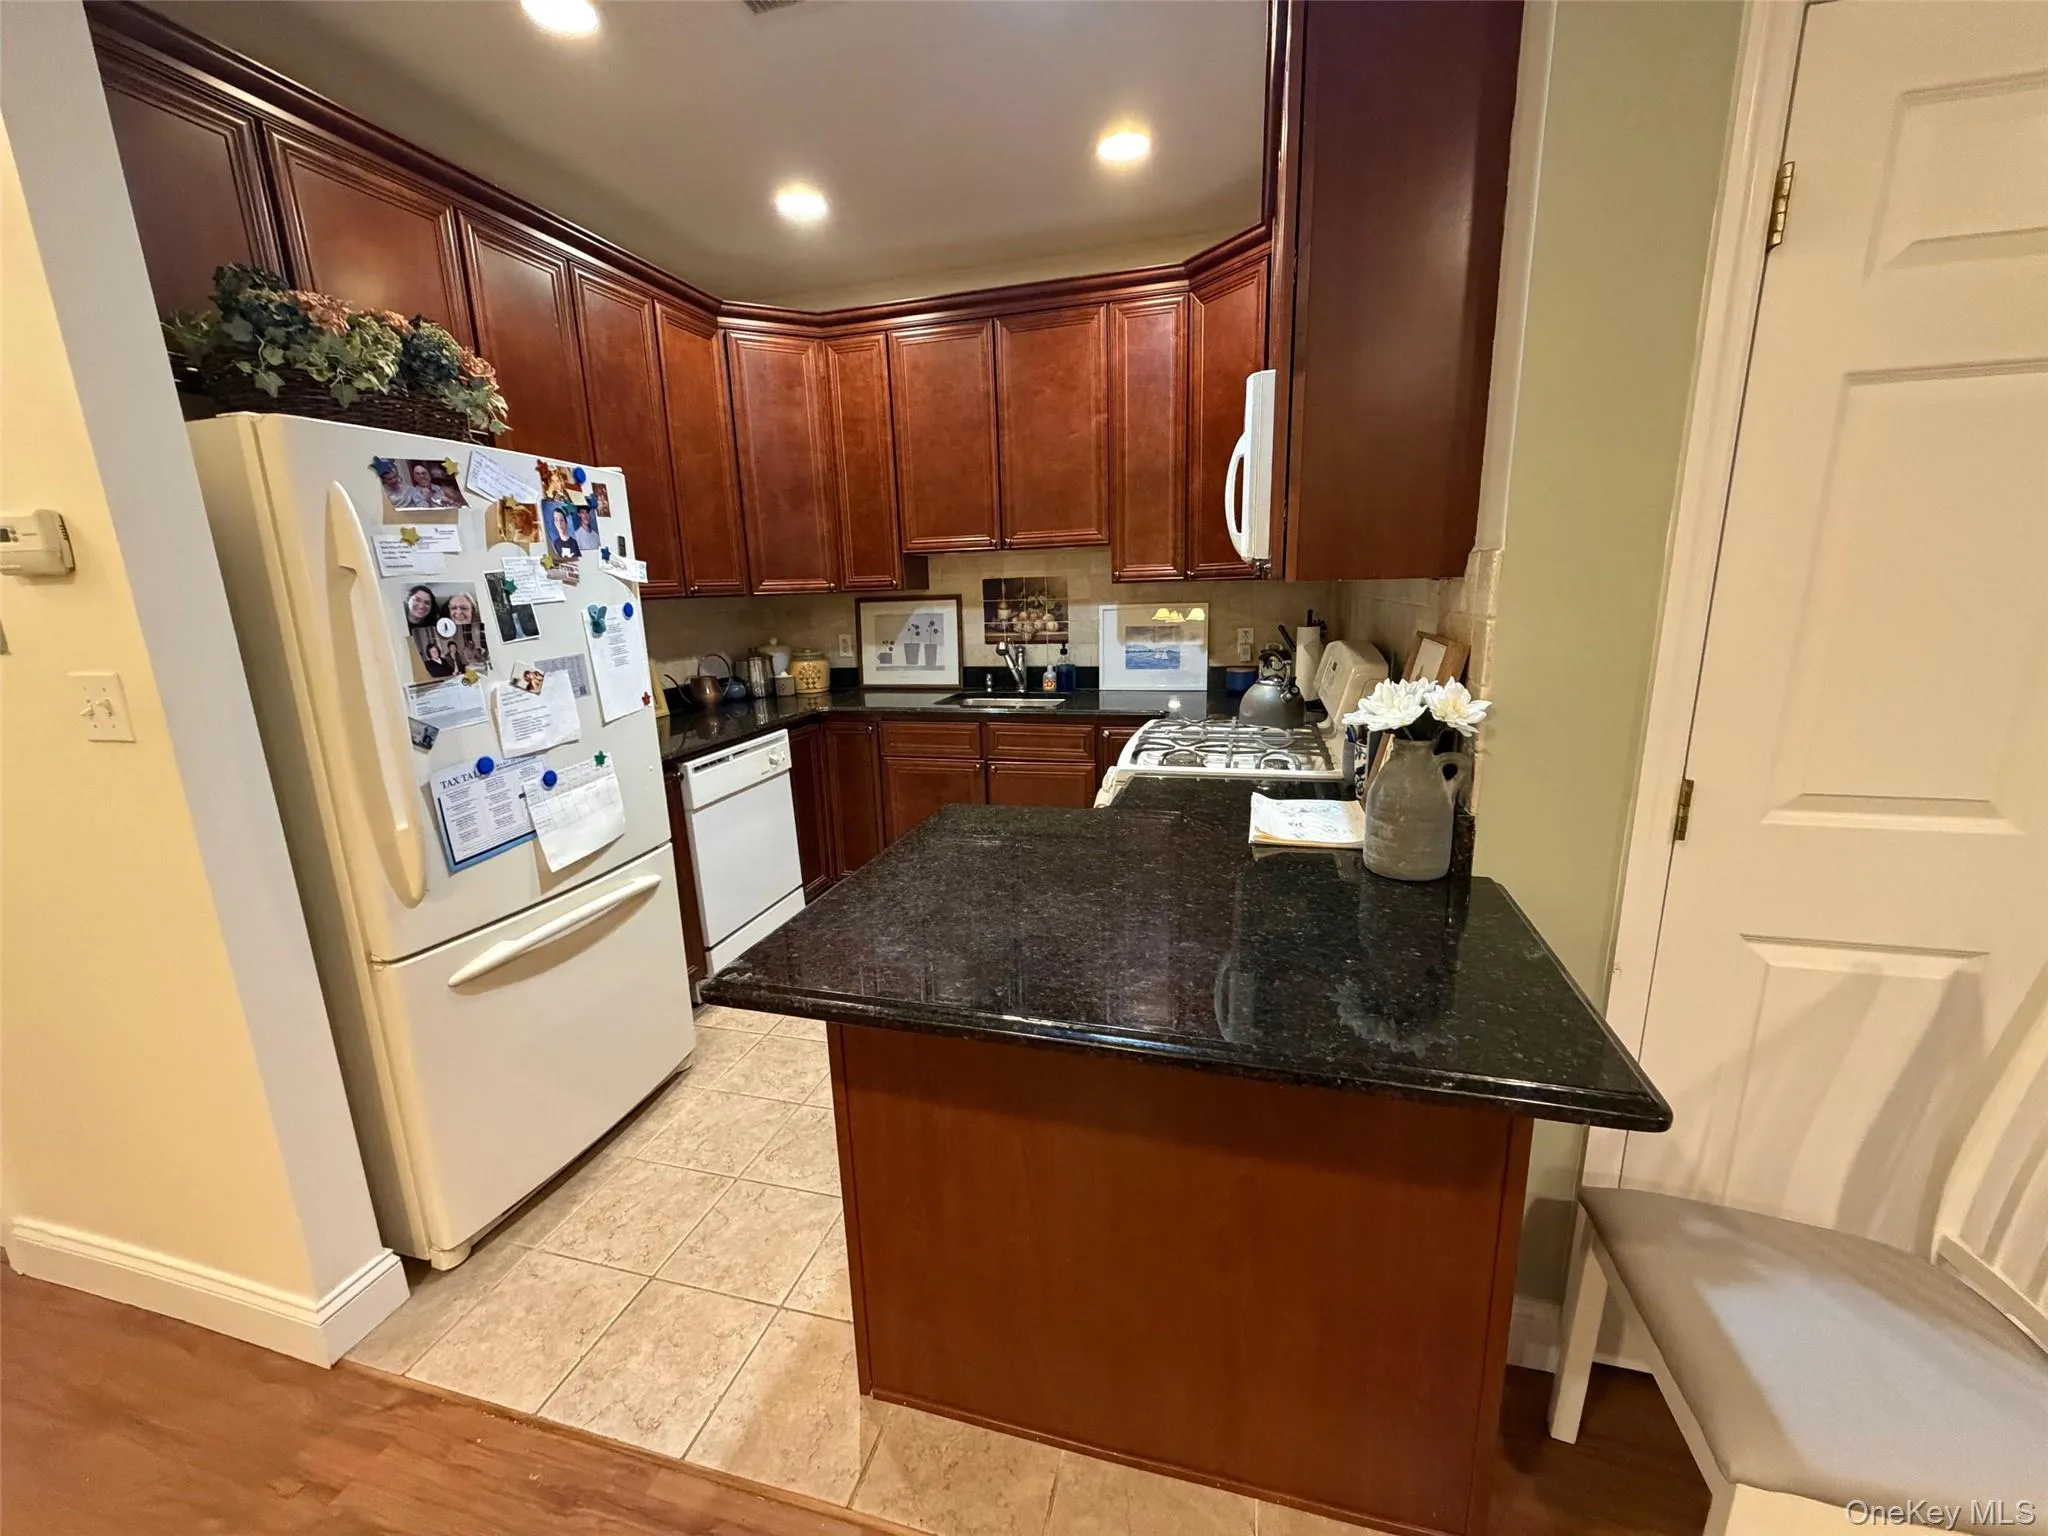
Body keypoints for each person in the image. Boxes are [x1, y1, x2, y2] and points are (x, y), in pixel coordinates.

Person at [405, 585, 456, 678]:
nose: (421, 605)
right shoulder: (428, 664)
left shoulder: (435, 625)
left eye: (427, 603)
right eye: (417, 599)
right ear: (408, 599)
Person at [442, 590, 491, 673]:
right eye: (453, 608)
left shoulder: (485, 627)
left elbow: (479, 657)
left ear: (472, 610)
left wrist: (484, 656)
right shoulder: (463, 651)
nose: (458, 612)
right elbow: (467, 661)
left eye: (464, 608)